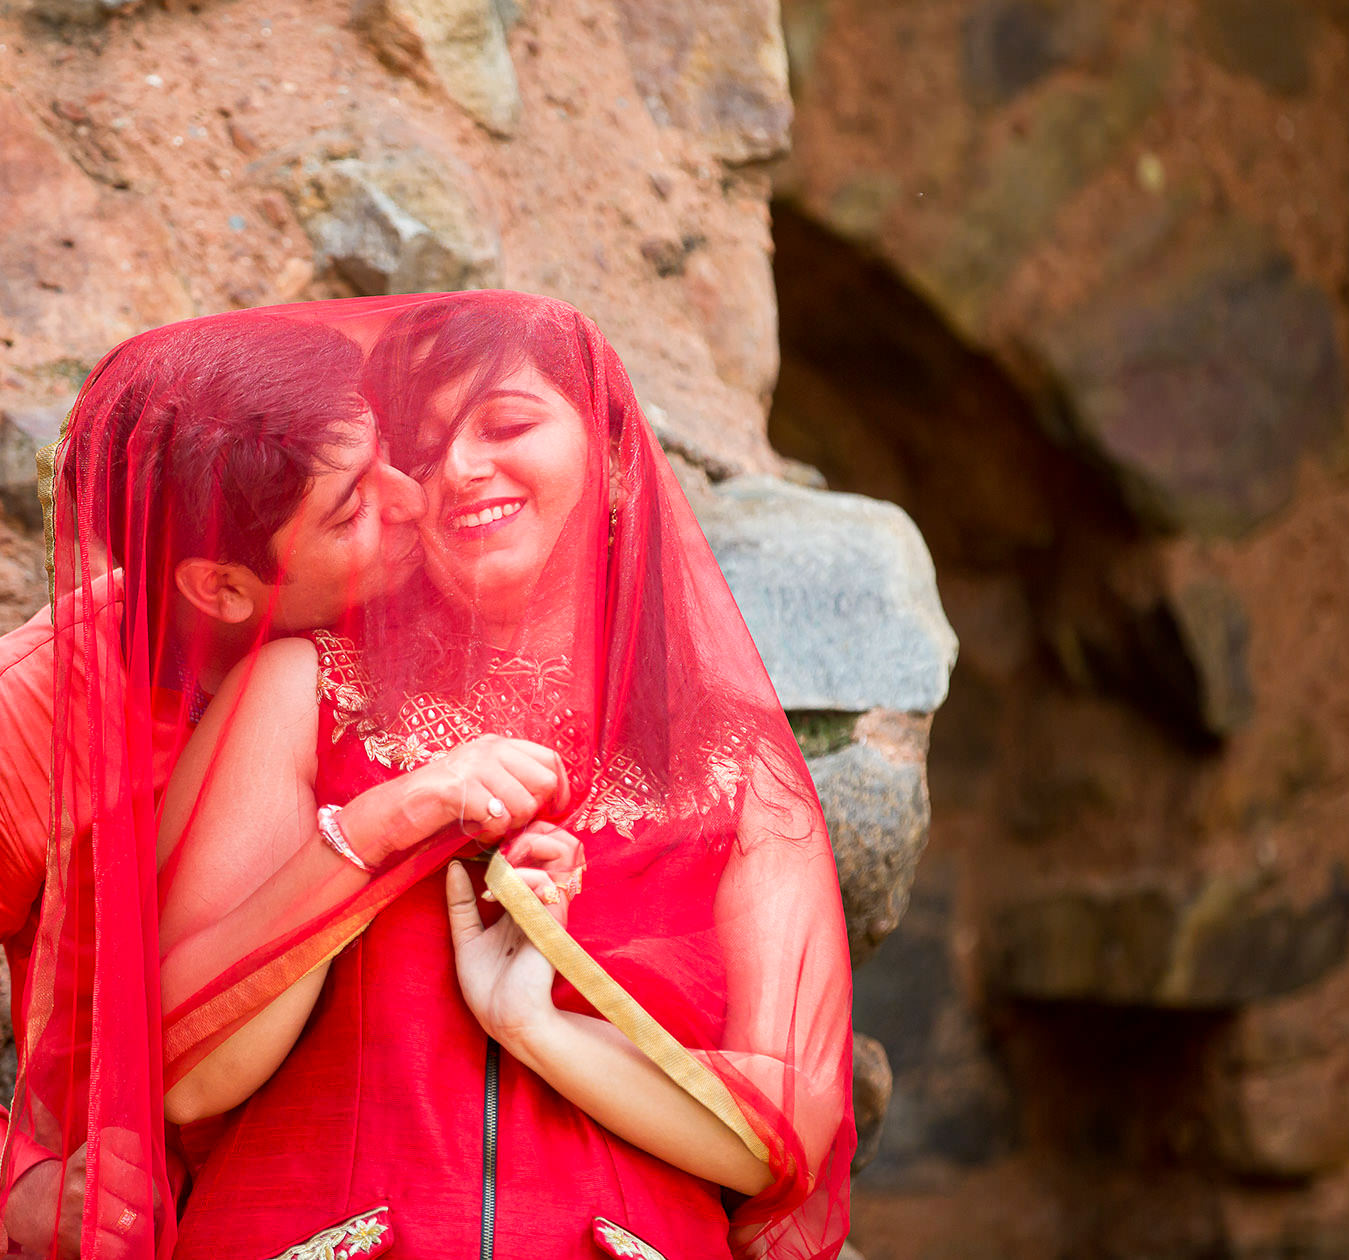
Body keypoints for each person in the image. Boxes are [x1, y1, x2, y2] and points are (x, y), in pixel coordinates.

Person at [0, 310, 572, 1256]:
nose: (414, 497)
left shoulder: (435, 607)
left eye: (385, 457)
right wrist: (16, 1188)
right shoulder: (19, 725)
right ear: (222, 589)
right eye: (351, 509)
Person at [137, 292, 857, 1260]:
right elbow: (187, 1074)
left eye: (506, 426)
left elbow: (788, 1130)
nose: (460, 470)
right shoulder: (304, 691)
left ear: (614, 455)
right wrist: (380, 828)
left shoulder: (737, 765)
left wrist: (534, 1024)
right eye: (421, 451)